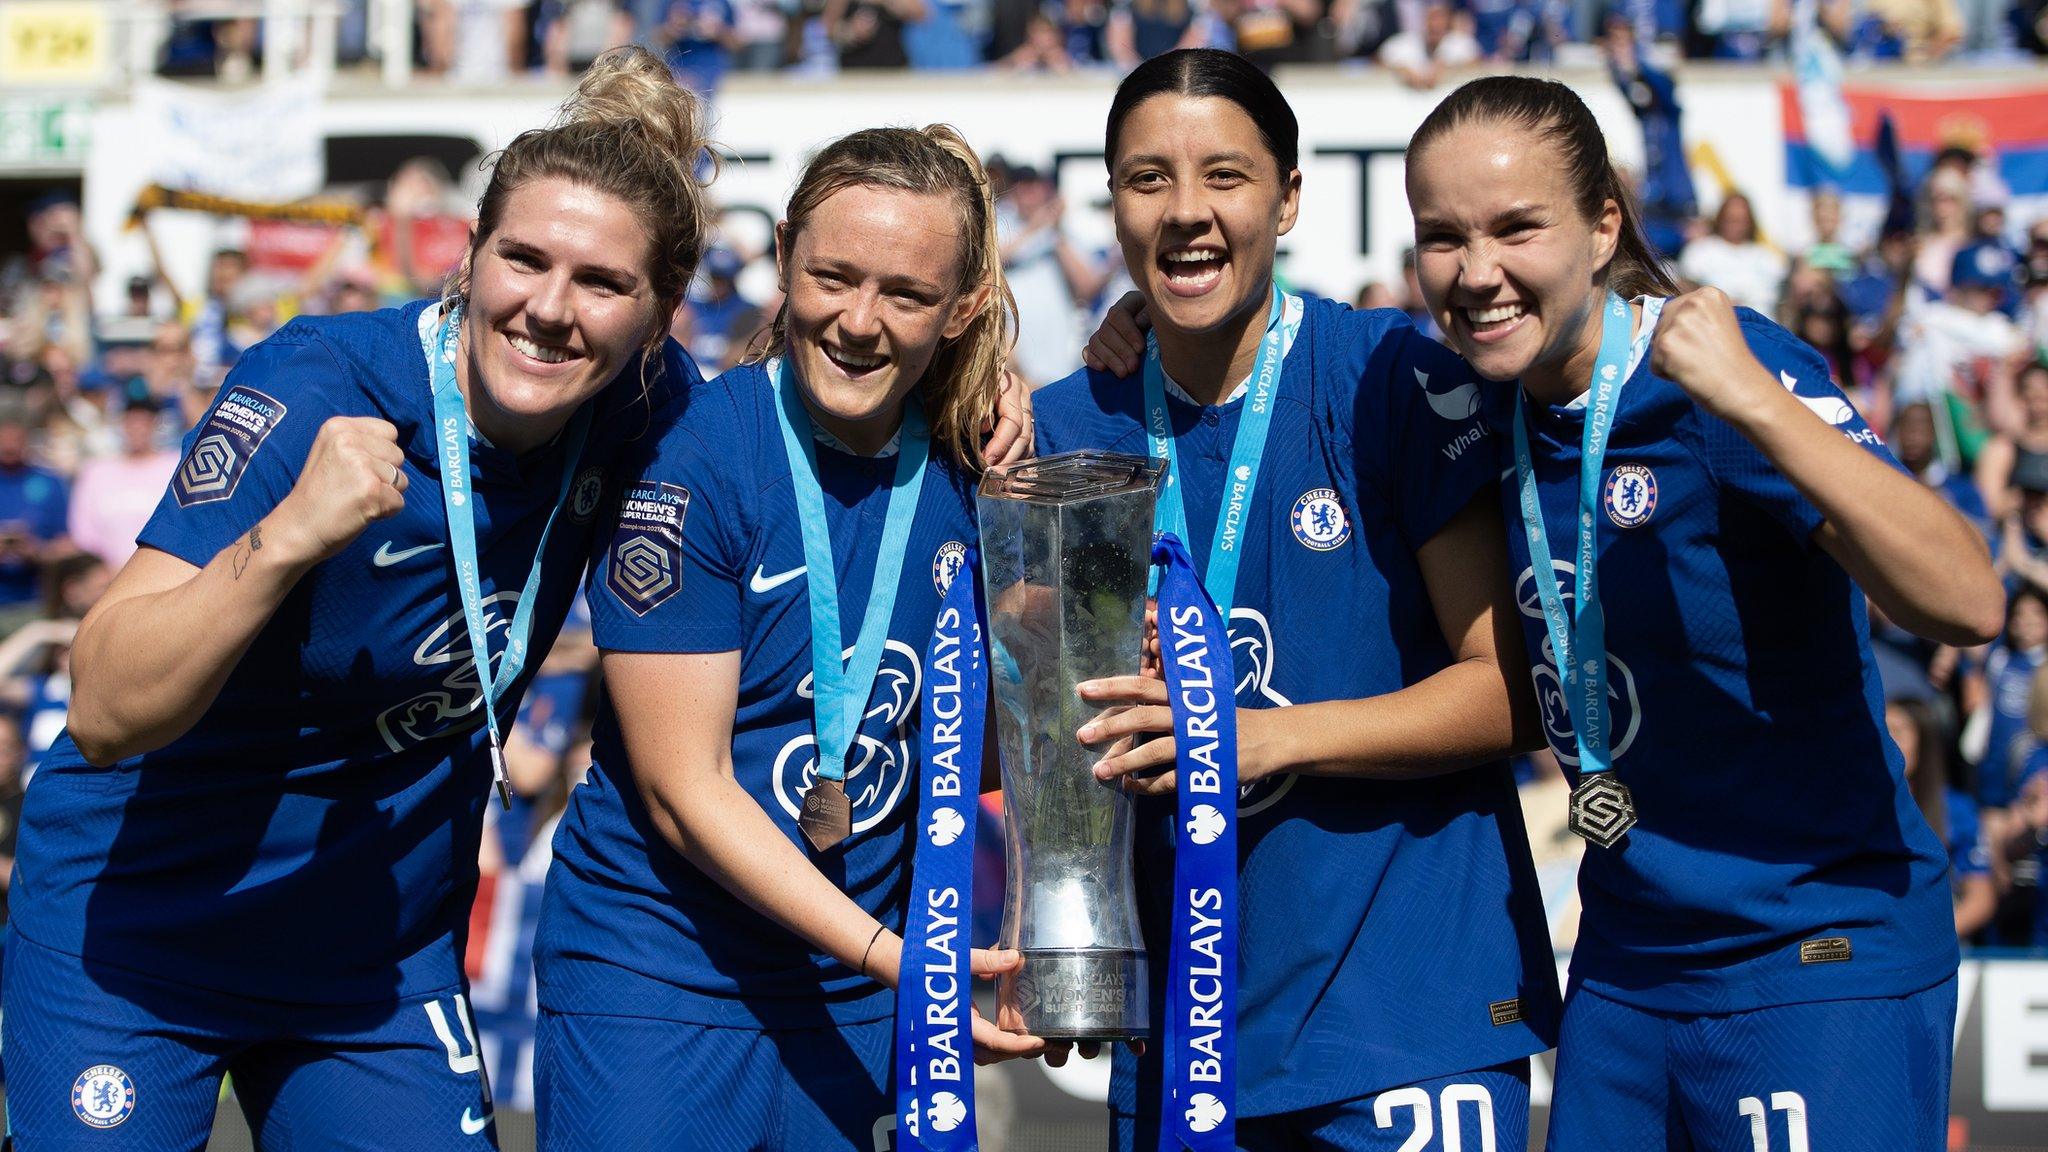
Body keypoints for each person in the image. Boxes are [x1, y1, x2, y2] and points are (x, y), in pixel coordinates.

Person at [1, 48, 718, 1152]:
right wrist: (288, 538)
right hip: (140, 928)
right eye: (521, 259)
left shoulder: (647, 403)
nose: (548, 309)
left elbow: (808, 427)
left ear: (659, 313)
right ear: (468, 256)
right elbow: (100, 707)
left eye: (603, 284)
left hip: (370, 958)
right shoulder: (318, 387)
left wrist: (974, 403)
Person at [1401, 74, 2002, 1149]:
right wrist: (1135, 326)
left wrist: (1755, 402)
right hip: (1628, 966)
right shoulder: (1467, 399)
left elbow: (1965, 599)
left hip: (1812, 956)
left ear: (1601, 225)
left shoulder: (1716, 376)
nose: (1475, 272)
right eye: (1440, 237)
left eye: (1514, 229)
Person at [1059, 48, 1560, 1151]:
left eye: (1225, 177)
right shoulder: (1065, 426)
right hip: (1178, 1046)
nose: (1185, 212)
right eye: (1147, 179)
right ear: (1111, 200)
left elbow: (1509, 695)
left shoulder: (1390, 379)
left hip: (1403, 1018)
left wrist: (1256, 740)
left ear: (1288, 198)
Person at [532, 125, 1040, 1151]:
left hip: (853, 994)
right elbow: (685, 791)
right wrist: (898, 959)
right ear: (779, 258)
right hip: (663, 977)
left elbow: (963, 750)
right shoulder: (692, 462)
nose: (857, 322)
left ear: (962, 309)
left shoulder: (976, 472)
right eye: (832, 278)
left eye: (903, 294)